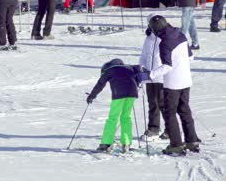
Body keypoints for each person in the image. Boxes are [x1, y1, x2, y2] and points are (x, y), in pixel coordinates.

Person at [139, 15, 201, 155]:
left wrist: (150, 75)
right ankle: (192, 141)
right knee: (184, 110)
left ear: (155, 30)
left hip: (173, 83)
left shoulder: (165, 42)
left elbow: (167, 66)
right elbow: (191, 56)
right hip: (186, 80)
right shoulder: (180, 35)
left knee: (169, 113)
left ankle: (176, 145)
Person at [86, 59, 141, 153]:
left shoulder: (109, 70)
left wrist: (91, 96)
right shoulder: (130, 67)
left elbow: (100, 84)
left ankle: (106, 144)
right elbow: (139, 71)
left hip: (119, 94)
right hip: (132, 93)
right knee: (126, 117)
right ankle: (126, 143)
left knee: (113, 118)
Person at [139, 14, 168, 140]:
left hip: (161, 76)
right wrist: (141, 68)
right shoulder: (148, 38)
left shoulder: (164, 37)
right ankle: (153, 128)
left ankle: (170, 129)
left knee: (163, 103)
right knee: (152, 103)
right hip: (149, 75)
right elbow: (144, 55)